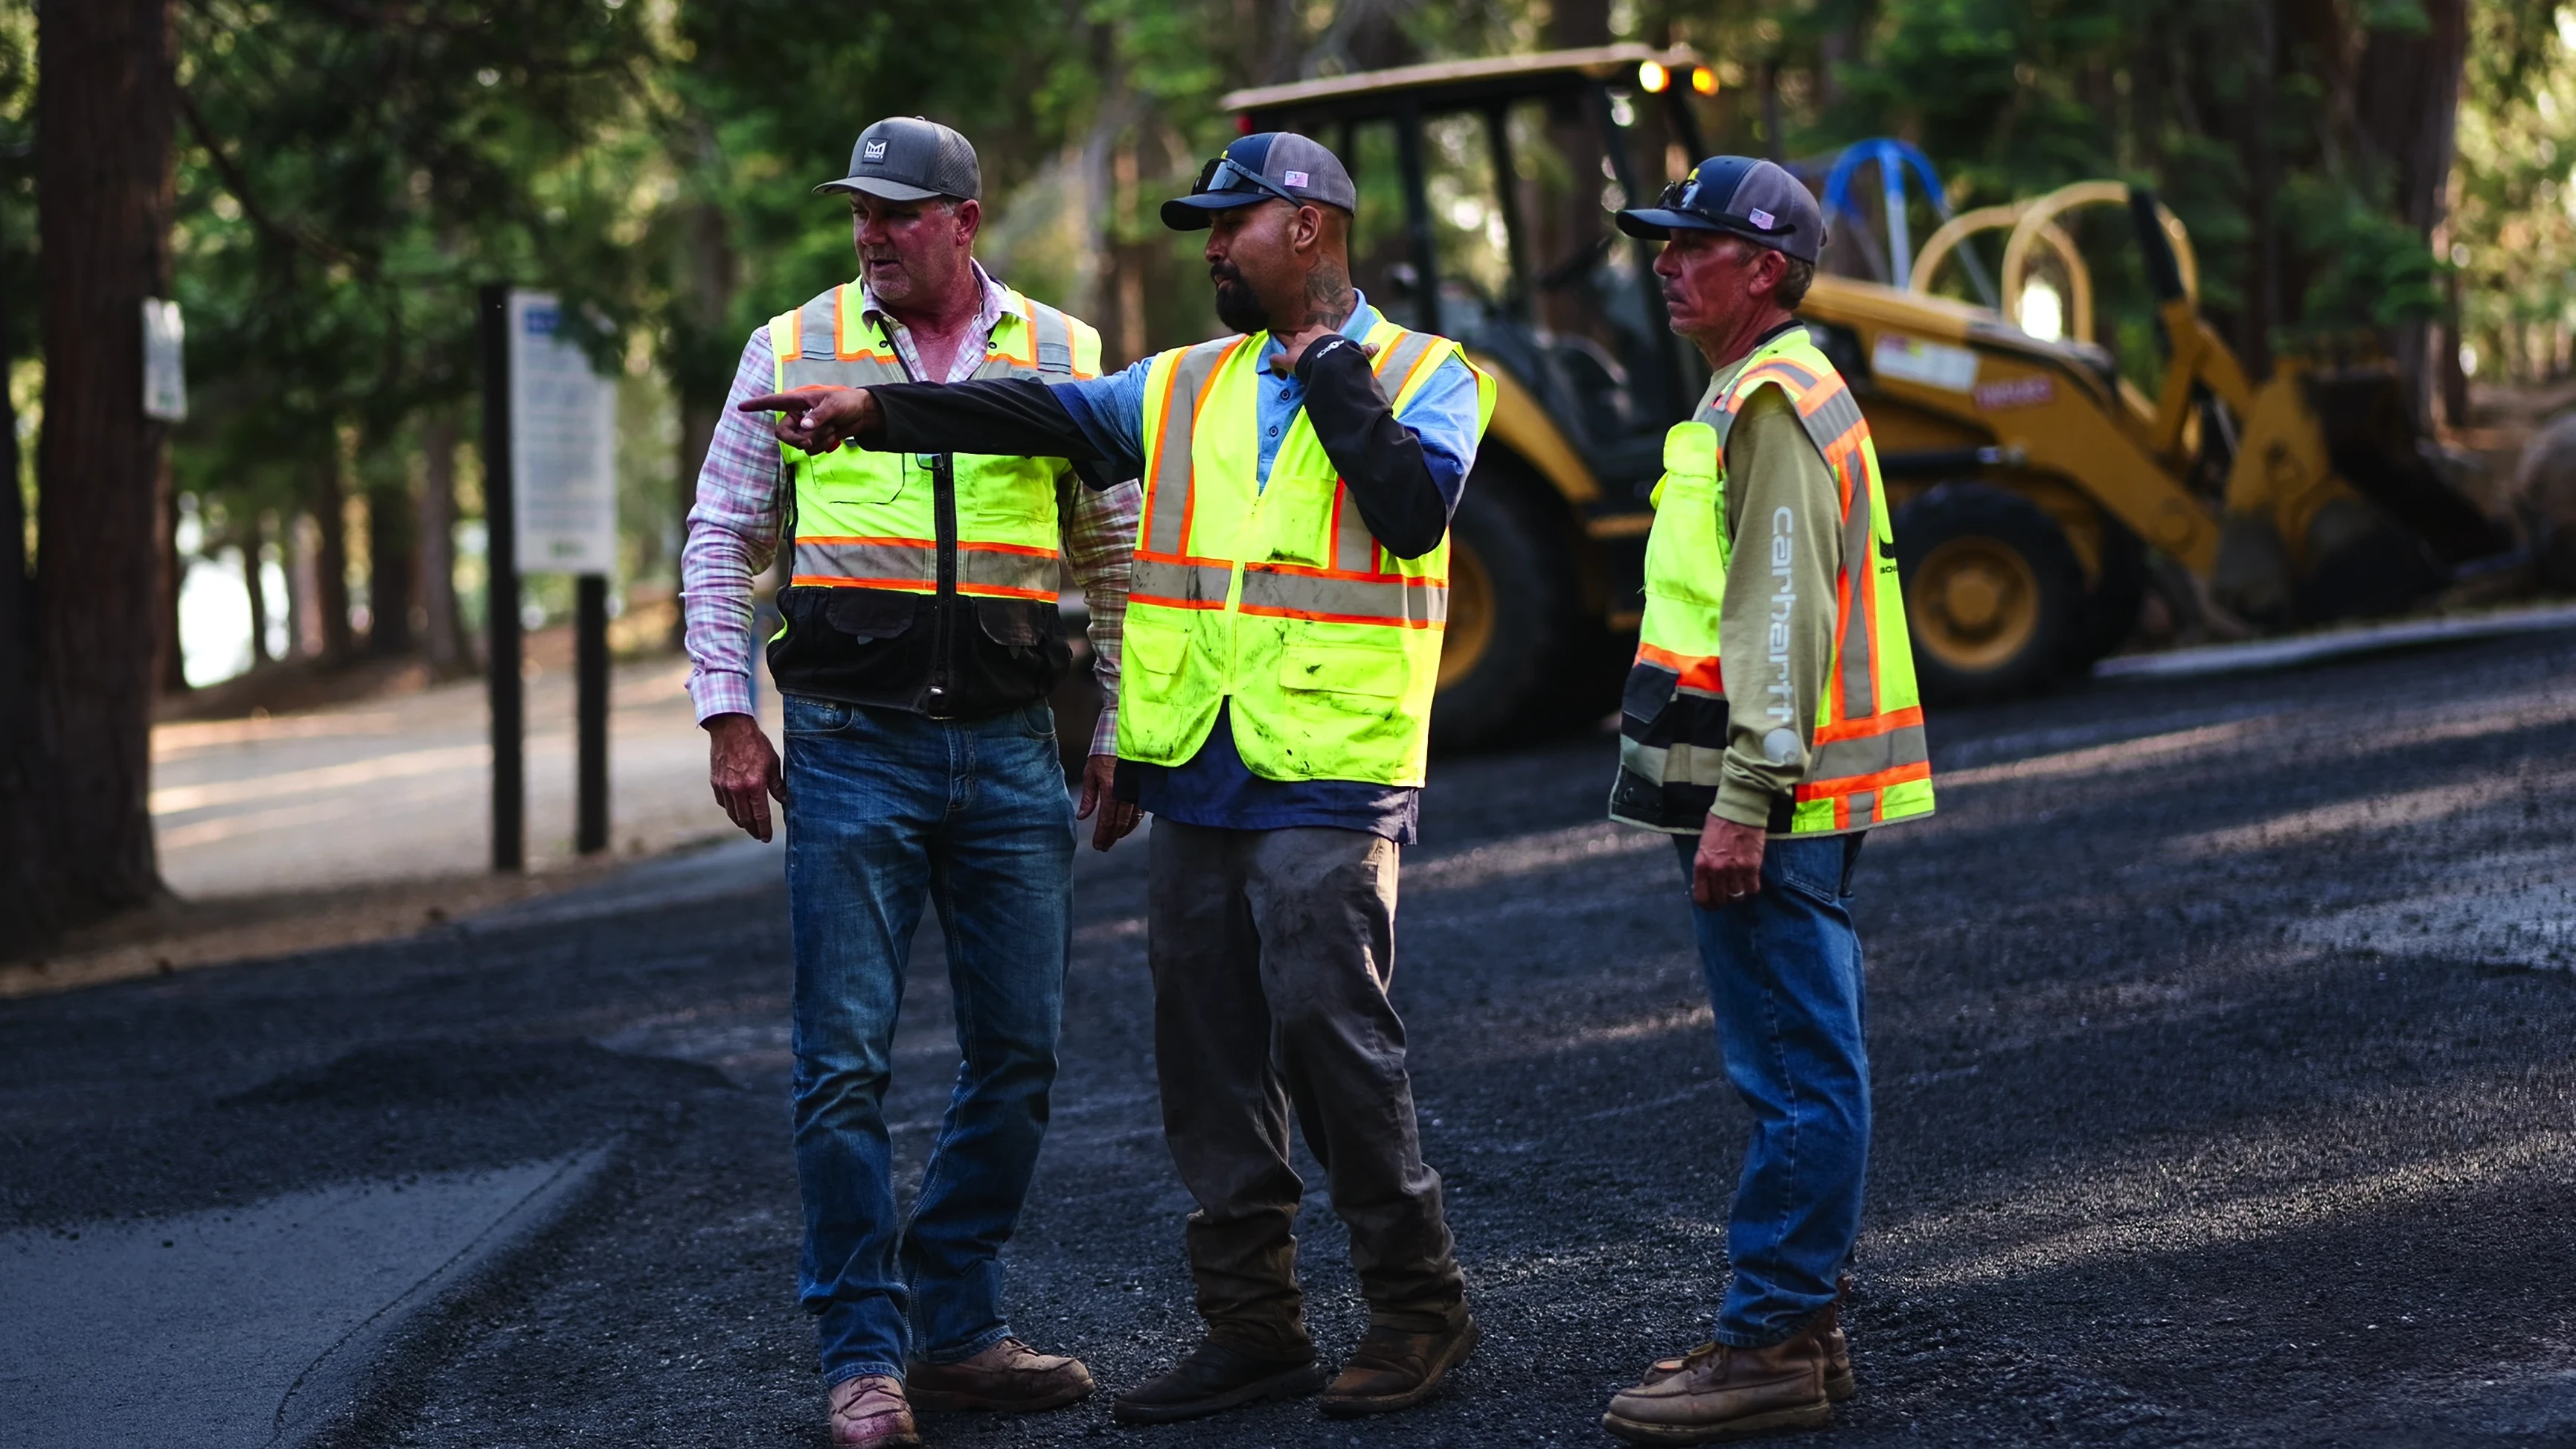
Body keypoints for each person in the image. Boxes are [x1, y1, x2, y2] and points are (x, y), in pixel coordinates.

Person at [739, 131, 1494, 1426]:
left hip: (1327, 770)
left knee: (1331, 1038)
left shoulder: (1431, 375)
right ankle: (1254, 1326)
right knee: (1204, 1063)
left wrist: (1325, 365)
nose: (1208, 247)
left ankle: (1415, 1306)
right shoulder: (1187, 380)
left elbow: (1410, 511)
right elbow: (1037, 411)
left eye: (1231, 226)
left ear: (1306, 230)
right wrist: (883, 408)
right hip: (1194, 763)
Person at [679, 115, 1141, 1449]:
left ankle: (959, 1327)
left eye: (896, 212)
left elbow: (1112, 556)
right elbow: (724, 533)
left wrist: (1116, 725)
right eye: (859, 213)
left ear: (964, 220)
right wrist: (728, 712)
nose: (871, 233)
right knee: (842, 1064)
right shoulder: (792, 343)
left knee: (1021, 1054)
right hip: (848, 746)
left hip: (1007, 747)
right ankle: (863, 1357)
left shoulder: (1061, 356)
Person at [1591, 156, 1938, 1445]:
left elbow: (1780, 612)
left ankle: (1774, 1339)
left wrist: (1744, 797)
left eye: (1693, 246)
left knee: (1794, 1067)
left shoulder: (1774, 399)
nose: (1667, 264)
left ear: (1766, 269)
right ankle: (1804, 1324)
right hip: (1775, 792)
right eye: (1664, 244)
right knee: (1796, 1056)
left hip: (1773, 802)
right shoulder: (1753, 389)